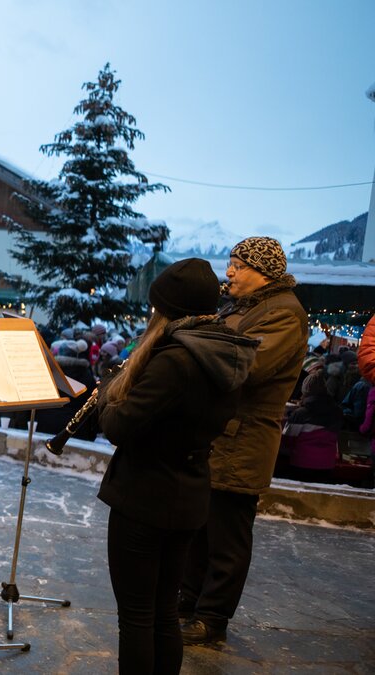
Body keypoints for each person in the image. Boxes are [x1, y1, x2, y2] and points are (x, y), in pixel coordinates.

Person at [95, 259, 258, 673]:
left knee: (136, 616)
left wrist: (106, 392)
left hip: (145, 496)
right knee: (164, 611)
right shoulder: (224, 352)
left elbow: (118, 425)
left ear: (170, 308)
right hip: (188, 493)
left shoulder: (174, 360)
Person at [180, 236, 308, 645]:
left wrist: (193, 344)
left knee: (227, 536)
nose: (229, 272)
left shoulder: (285, 313)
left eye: (238, 264)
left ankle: (212, 617)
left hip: (244, 440)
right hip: (220, 436)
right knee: (200, 527)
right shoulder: (243, 306)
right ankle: (189, 601)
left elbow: (246, 366)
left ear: (263, 270)